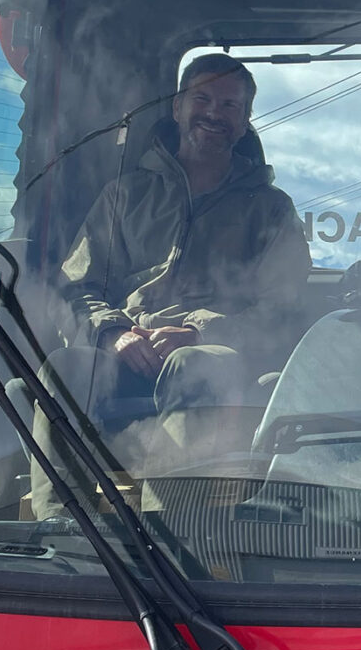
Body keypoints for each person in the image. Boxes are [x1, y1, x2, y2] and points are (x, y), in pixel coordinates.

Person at [32, 54, 310, 502]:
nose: (214, 113)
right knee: (66, 368)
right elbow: (75, 287)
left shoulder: (271, 209)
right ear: (178, 107)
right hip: (125, 354)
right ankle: (61, 532)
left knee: (193, 366)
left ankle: (167, 536)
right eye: (202, 98)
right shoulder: (124, 195)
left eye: (229, 105)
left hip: (218, 361)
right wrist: (112, 332)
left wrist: (198, 331)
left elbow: (285, 308)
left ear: (244, 123)